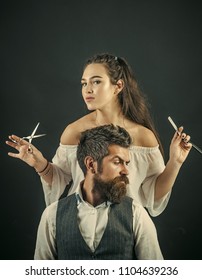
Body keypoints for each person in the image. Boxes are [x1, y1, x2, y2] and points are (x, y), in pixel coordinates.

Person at [6, 53, 192, 216]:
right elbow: (61, 180)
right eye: (84, 83)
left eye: (96, 81)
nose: (87, 89)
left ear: (118, 86)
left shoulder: (143, 137)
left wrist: (175, 162)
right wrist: (38, 163)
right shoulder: (74, 132)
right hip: (79, 224)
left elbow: (154, 194)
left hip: (128, 227)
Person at [34, 124, 163, 260]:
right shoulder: (52, 215)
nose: (126, 171)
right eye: (117, 161)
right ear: (91, 164)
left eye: (126, 163)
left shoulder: (136, 214)